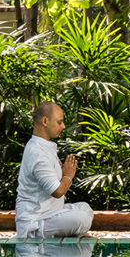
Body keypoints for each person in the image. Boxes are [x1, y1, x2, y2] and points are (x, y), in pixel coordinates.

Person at [15, 101, 94, 239]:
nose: (63, 126)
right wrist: (68, 176)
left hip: (50, 214)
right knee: (81, 218)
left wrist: (64, 175)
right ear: (45, 121)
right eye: (59, 122)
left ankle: (67, 232)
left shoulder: (43, 146)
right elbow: (57, 192)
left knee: (85, 208)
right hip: (35, 223)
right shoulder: (37, 152)